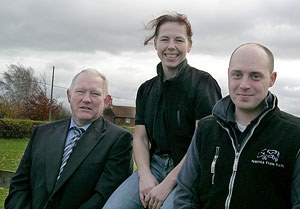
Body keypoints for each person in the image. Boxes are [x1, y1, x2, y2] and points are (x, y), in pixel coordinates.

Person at [103, 12, 222, 209]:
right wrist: (144, 175)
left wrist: (167, 184)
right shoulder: (146, 89)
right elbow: (140, 138)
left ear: (189, 45)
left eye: (179, 40)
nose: (171, 46)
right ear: (156, 44)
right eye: (164, 39)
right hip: (155, 166)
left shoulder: (203, 83)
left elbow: (203, 143)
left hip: (190, 169)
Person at [174, 43, 300, 209]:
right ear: (228, 75)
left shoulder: (294, 134)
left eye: (255, 76)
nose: (244, 84)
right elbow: (186, 194)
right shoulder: (206, 129)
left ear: (272, 79)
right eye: (237, 75)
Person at [5, 69, 133, 209]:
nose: (86, 99)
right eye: (80, 91)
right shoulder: (42, 133)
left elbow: (105, 196)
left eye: (95, 93)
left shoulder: (119, 140)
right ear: (69, 95)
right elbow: (19, 184)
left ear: (106, 101)